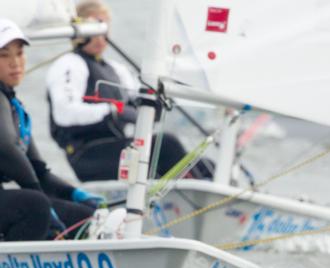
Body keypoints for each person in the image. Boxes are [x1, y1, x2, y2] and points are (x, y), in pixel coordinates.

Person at [45, 0, 214, 182]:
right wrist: (113, 111)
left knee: (205, 164)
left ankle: (209, 194)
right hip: (87, 154)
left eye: (104, 28)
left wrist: (154, 102)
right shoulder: (69, 64)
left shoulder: (116, 69)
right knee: (165, 145)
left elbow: (138, 102)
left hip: (118, 147)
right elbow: (64, 114)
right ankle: (194, 193)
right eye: (95, 27)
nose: (101, 36)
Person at [0, 18, 101, 242]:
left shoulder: (13, 104)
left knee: (82, 217)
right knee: (34, 206)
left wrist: (74, 194)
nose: (15, 62)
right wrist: (38, 195)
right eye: (4, 55)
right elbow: (5, 148)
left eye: (19, 53)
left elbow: (38, 170)